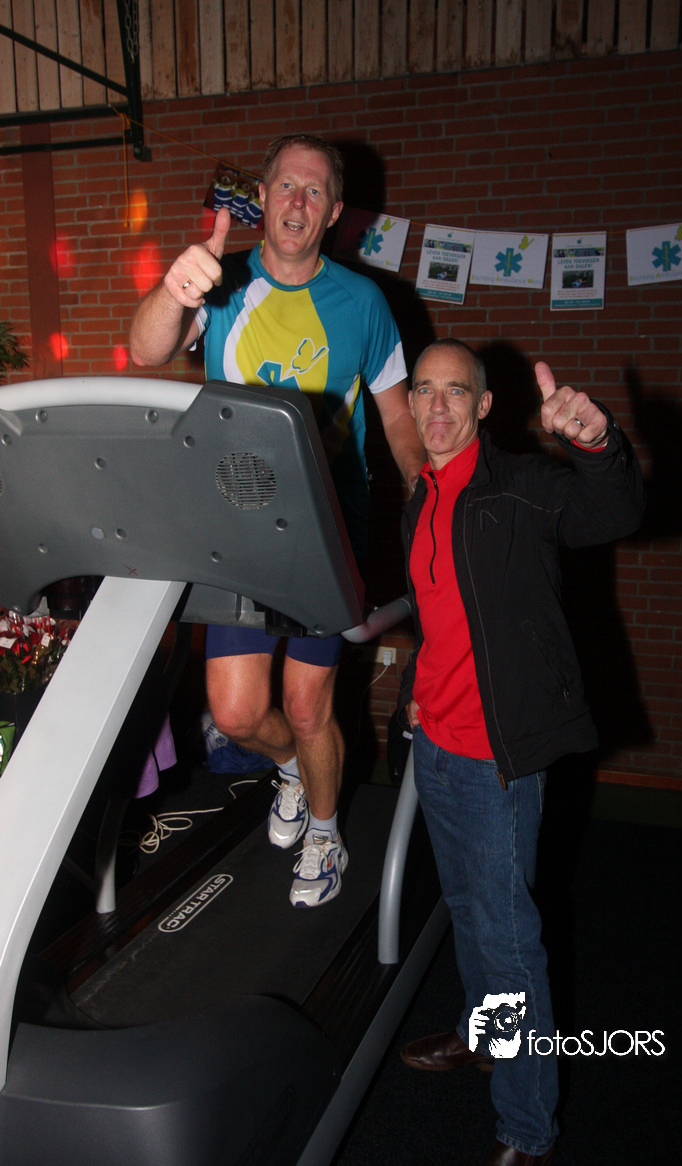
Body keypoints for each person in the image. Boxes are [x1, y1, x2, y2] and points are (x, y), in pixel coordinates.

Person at [129, 133, 424, 907]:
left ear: (333, 212)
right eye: (285, 185)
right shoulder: (219, 280)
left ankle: (325, 834)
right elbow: (146, 349)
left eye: (313, 190)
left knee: (304, 703)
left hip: (325, 528)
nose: (297, 201)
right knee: (234, 714)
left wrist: (429, 492)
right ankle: (293, 767)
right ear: (260, 198)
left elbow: (397, 417)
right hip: (235, 523)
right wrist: (174, 290)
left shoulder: (364, 303)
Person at [396, 339, 645, 1166]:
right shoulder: (420, 494)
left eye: (454, 391)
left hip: (495, 760)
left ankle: (527, 1129)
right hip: (434, 745)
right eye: (423, 390)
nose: (436, 406)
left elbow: (612, 513)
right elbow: (435, 615)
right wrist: (414, 697)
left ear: (483, 405)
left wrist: (596, 443)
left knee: (507, 939)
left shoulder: (522, 485)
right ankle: (487, 1038)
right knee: (466, 912)